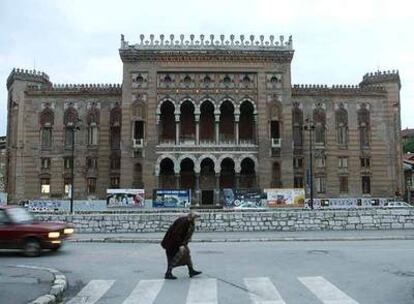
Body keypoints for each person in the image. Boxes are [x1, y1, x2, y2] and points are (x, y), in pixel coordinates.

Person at [161, 212, 202, 279]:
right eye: (196, 218)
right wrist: (181, 245)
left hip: (178, 243)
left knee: (187, 254)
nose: (196, 220)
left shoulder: (188, 221)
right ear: (192, 218)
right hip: (172, 243)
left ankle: (191, 270)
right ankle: (168, 273)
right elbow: (176, 234)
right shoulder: (183, 222)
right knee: (173, 257)